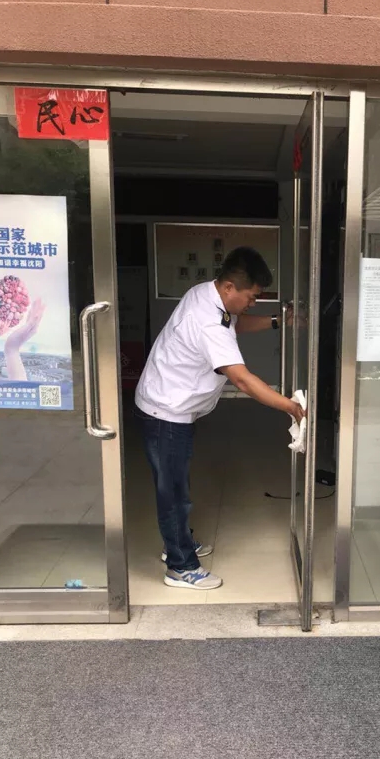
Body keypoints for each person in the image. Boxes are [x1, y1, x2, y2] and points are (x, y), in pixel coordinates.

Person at [135, 247, 305, 590]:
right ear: (229, 287)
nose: (253, 303)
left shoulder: (206, 293)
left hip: (168, 403)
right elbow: (242, 379)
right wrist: (291, 407)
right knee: (174, 492)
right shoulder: (209, 322)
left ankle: (178, 542)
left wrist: (276, 321)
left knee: (175, 485)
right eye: (252, 296)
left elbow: (235, 324)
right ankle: (180, 566)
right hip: (166, 412)